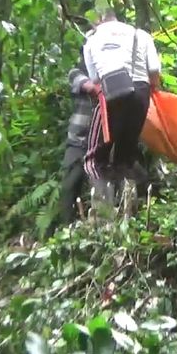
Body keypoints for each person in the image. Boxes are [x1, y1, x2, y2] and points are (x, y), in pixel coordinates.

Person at [83, 9, 160, 183]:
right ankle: (131, 201)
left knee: (96, 158)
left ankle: (104, 202)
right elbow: (154, 70)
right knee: (126, 154)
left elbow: (94, 78)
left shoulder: (91, 40)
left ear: (100, 19)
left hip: (112, 93)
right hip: (141, 92)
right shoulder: (140, 34)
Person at [58, 46, 97, 226]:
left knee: (101, 187)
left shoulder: (108, 71)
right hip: (78, 140)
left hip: (101, 141)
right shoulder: (77, 72)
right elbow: (90, 87)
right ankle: (67, 229)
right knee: (69, 186)